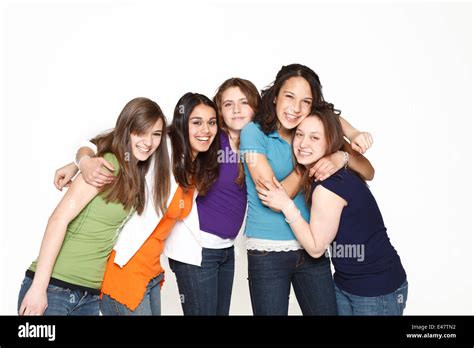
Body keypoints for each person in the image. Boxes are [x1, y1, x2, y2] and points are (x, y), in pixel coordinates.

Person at [52, 93, 219, 315]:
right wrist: (81, 163)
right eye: (196, 122)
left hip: (152, 273)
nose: (205, 130)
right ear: (181, 124)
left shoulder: (193, 166)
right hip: (125, 271)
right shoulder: (162, 148)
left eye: (212, 122)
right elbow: (108, 141)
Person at [239, 63, 375, 315]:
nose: (295, 108)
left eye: (306, 102)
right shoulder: (253, 133)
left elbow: (369, 171)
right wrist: (311, 161)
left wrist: (341, 157)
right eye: (289, 96)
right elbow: (273, 194)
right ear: (276, 95)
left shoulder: (312, 131)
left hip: (312, 246)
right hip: (267, 251)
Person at [18, 97, 169, 315]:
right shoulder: (106, 165)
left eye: (156, 134)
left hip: (90, 295)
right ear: (126, 130)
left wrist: (78, 162)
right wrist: (39, 288)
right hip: (55, 288)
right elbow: (58, 220)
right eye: (141, 132)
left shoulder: (134, 171)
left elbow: (95, 143)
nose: (148, 142)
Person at [257, 107, 408, 315]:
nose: (303, 144)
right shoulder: (329, 172)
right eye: (299, 134)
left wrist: (286, 205)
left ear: (330, 142)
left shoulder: (328, 186)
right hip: (346, 283)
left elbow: (316, 248)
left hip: (376, 290)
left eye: (314, 138)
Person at [163, 78, 260, 315]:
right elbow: (151, 135)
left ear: (256, 107)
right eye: (228, 104)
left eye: (243, 102)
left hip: (227, 250)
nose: (236, 110)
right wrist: (84, 157)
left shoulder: (257, 144)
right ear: (220, 109)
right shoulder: (210, 140)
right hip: (199, 250)